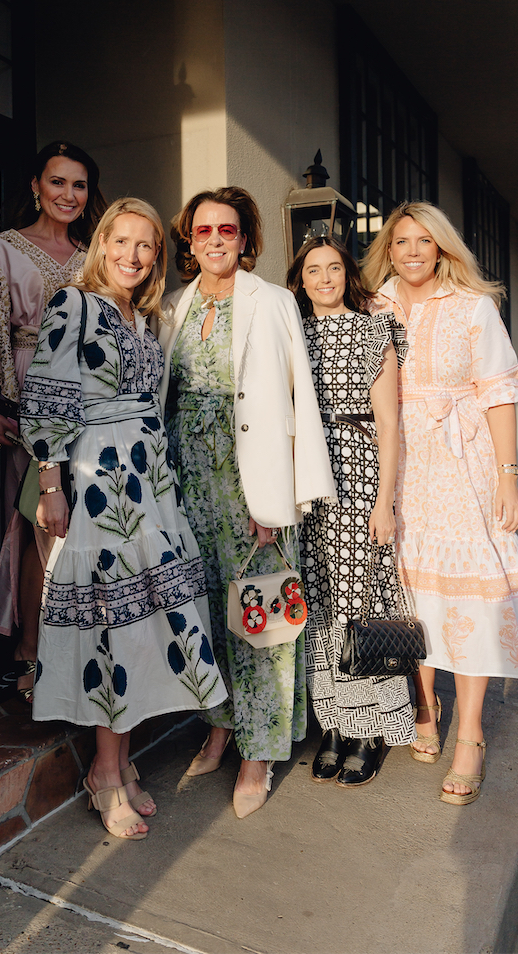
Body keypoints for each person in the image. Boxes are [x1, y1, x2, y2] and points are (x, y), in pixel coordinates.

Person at [19, 198, 227, 840]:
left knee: (144, 625)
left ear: (156, 256)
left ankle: (120, 762)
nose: (132, 255)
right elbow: (47, 393)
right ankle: (105, 772)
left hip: (150, 483)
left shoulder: (148, 317)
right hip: (98, 481)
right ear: (101, 244)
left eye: (146, 245)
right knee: (114, 621)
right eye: (122, 241)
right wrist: (50, 483)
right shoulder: (73, 305)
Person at [362, 201, 518, 805]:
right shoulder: (373, 305)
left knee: (470, 590)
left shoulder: (473, 307)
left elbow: (499, 394)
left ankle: (470, 734)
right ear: (388, 250)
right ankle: (424, 704)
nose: (412, 252)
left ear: (442, 247)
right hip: (395, 466)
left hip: (460, 463)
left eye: (424, 241)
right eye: (401, 242)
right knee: (410, 590)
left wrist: (507, 477)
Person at [158, 187, 335, 819]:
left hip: (250, 483)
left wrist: (281, 498)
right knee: (205, 609)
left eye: (226, 230)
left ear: (244, 238)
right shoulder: (173, 306)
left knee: (258, 616)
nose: (214, 240)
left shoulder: (274, 300)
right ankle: (220, 726)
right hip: (186, 478)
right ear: (189, 239)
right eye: (202, 230)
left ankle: (258, 751)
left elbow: (298, 396)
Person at [0, 140, 106, 698]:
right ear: (36, 187)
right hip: (27, 393)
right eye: (57, 181)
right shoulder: (6, 247)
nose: (68, 194)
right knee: (35, 521)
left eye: (78, 185)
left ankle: (74, 648)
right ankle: (28, 647)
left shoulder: (95, 255)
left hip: (87, 398)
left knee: (81, 525)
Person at [287, 235, 415, 787]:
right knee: (318, 600)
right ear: (301, 280)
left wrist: (384, 502)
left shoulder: (373, 330)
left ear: (348, 274)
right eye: (313, 270)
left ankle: (369, 730)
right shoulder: (292, 332)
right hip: (308, 481)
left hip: (359, 475)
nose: (324, 278)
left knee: (359, 597)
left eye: (333, 268)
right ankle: (334, 724)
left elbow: (389, 426)